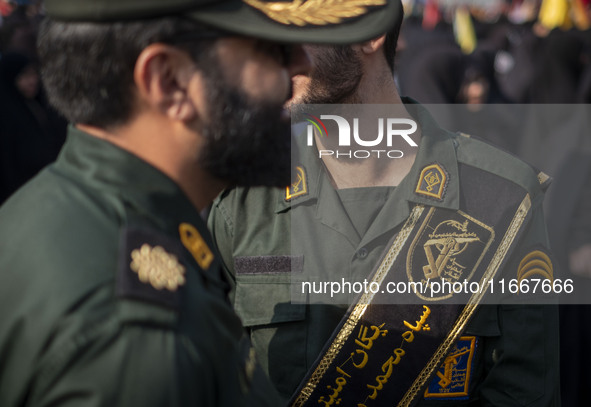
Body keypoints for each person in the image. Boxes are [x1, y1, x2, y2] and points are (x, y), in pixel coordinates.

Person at [0, 0, 403, 405]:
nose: (299, 62)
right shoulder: (138, 335)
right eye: (271, 50)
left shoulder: (66, 212)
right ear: (170, 81)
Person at [208, 1, 561, 405]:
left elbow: (525, 392)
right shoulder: (243, 206)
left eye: (292, 28)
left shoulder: (501, 197)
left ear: (366, 31)